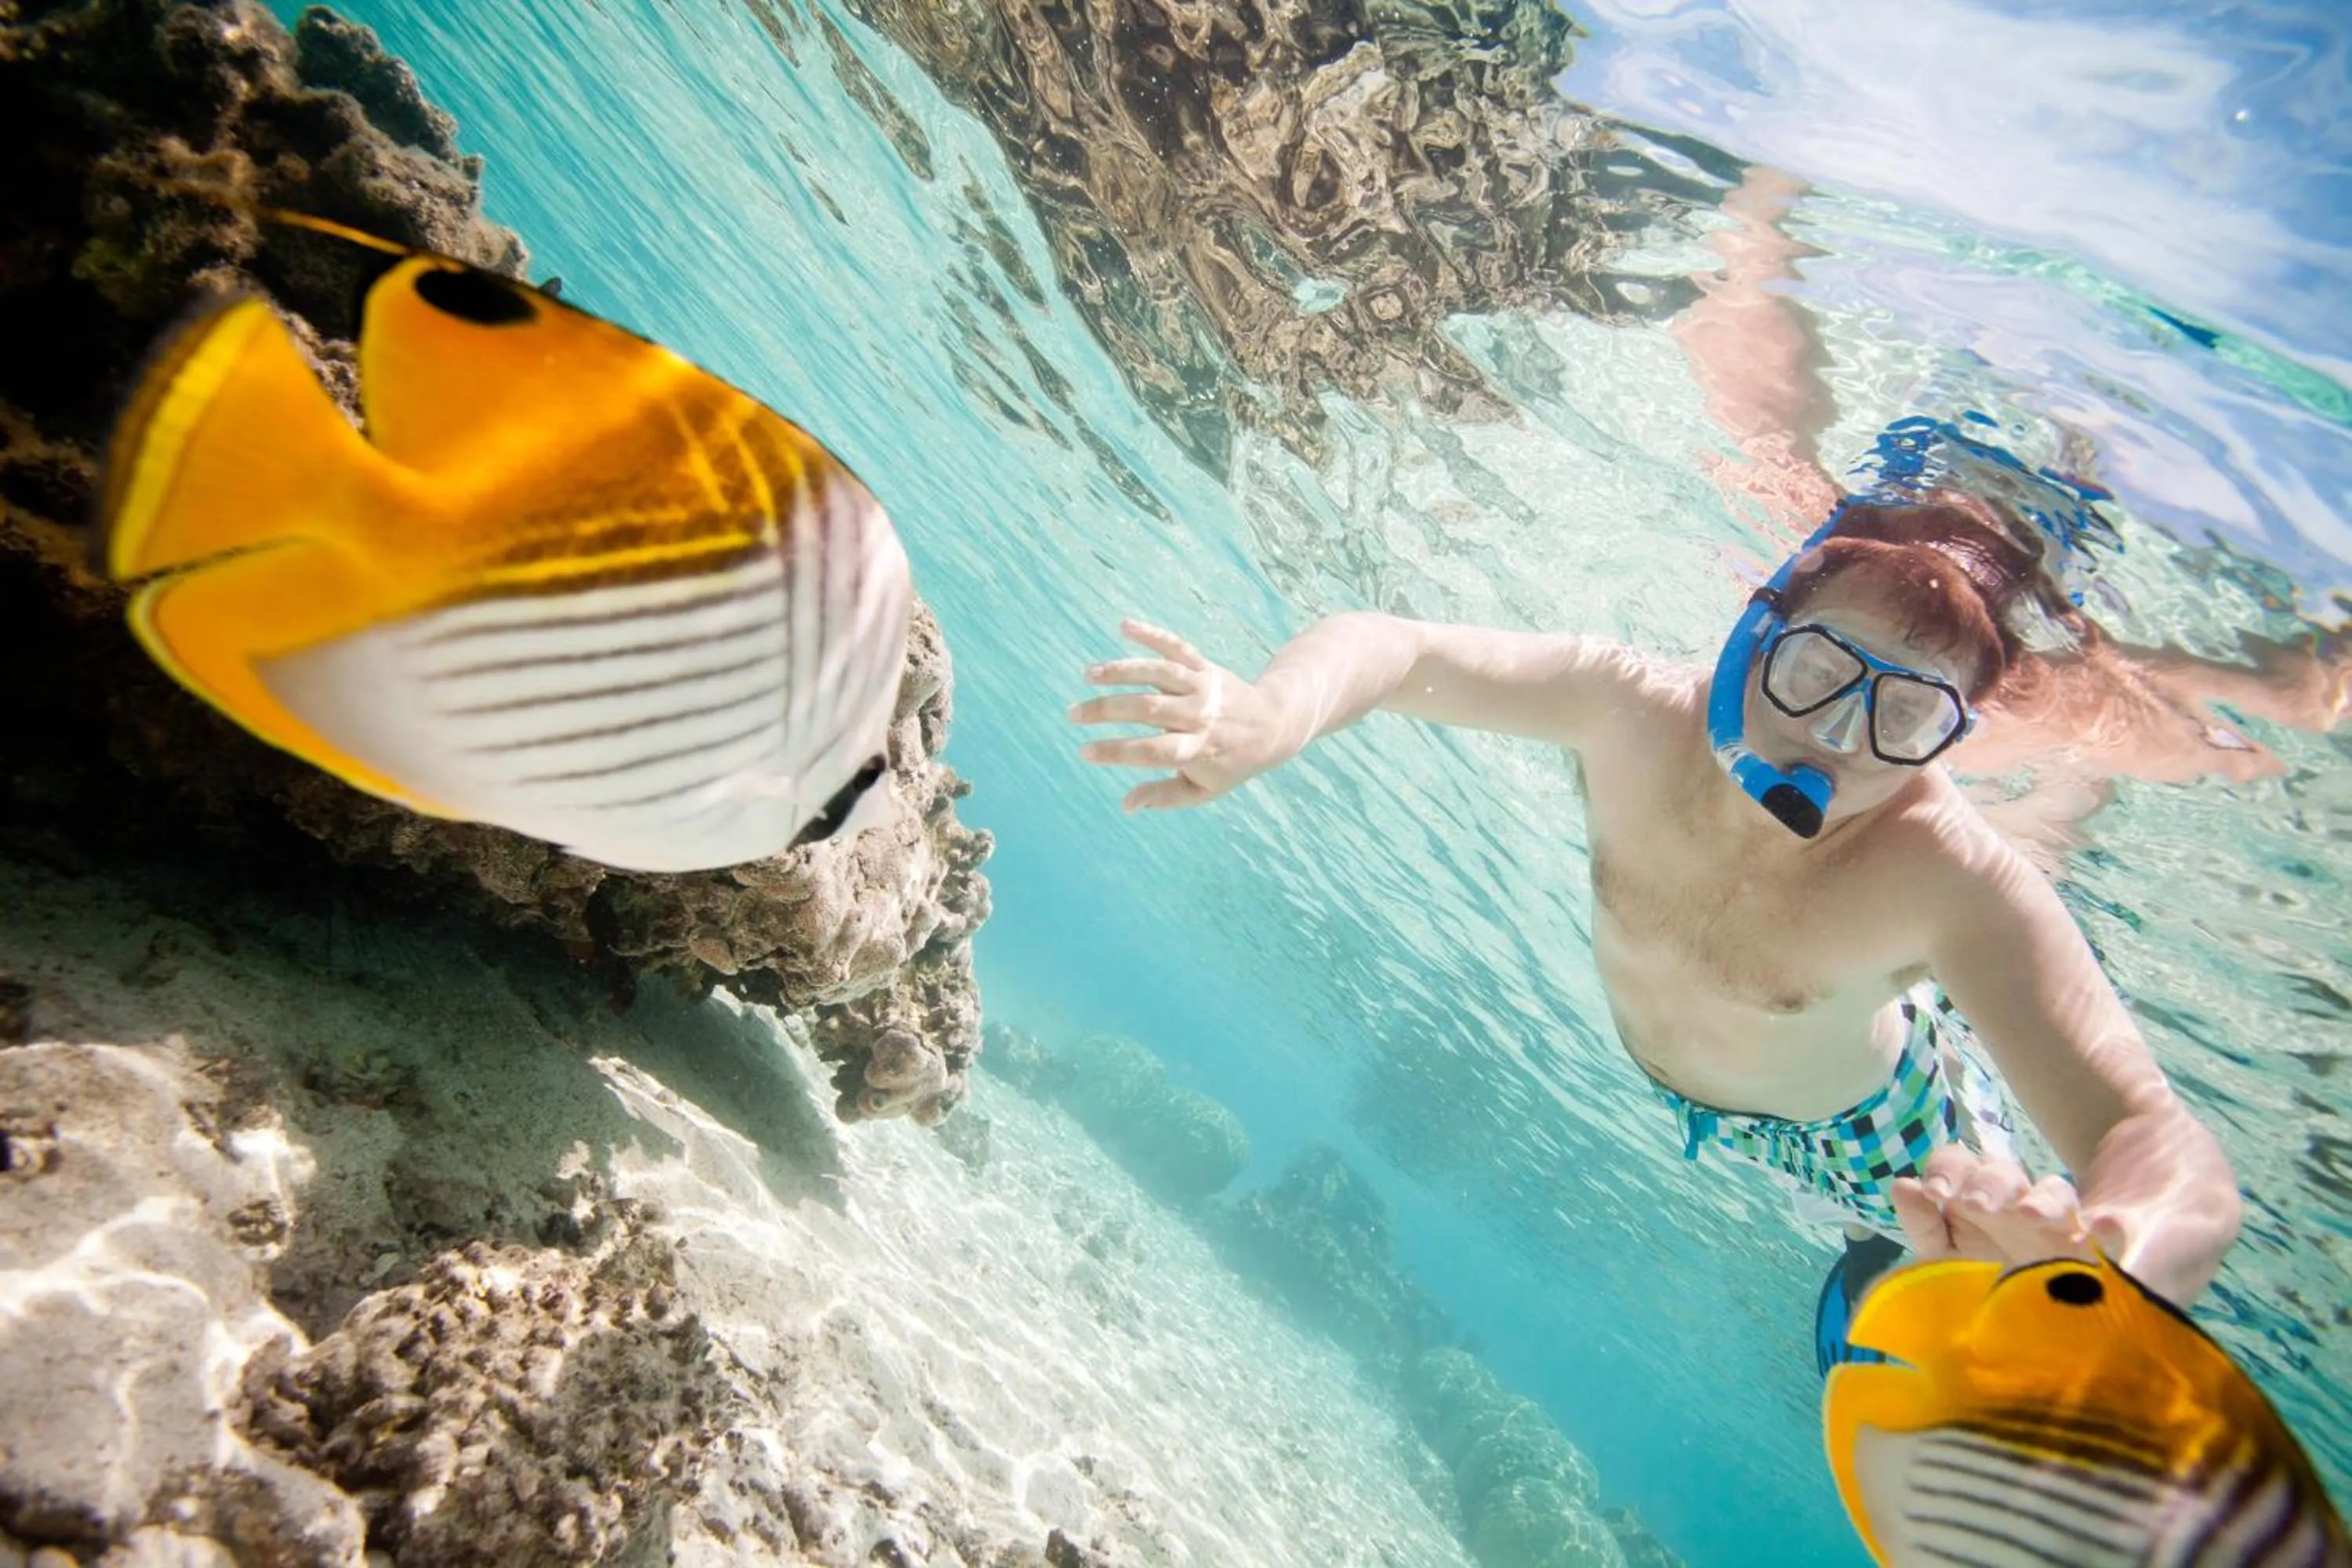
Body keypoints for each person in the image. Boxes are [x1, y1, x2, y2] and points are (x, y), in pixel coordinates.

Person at [1065, 172, 2285, 1369]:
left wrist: (2112, 1253)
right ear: (1752, 629)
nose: (1839, 740)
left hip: (1883, 1133)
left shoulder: (1942, 871)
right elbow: (1399, 648)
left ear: (1955, 738)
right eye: (1814, 671)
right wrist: (1270, 713)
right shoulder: (1627, 708)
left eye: (1908, 715)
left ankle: (1923, 1295)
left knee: (1954, 1246)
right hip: (1715, 1099)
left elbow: (2157, 1141)